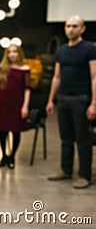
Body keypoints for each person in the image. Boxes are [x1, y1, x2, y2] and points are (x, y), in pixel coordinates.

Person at [46, 15, 96, 189]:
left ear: (82, 29)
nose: (70, 29)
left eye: (74, 26)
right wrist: (51, 100)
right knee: (66, 137)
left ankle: (84, 175)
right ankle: (65, 170)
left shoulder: (89, 49)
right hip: (63, 99)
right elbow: (57, 77)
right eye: (68, 26)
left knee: (83, 139)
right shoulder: (62, 50)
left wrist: (94, 103)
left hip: (81, 99)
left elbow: (94, 77)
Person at [0, 44, 31, 169]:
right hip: (3, 103)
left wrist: (25, 106)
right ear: (6, 54)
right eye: (9, 52)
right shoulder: (2, 68)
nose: (12, 54)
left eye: (15, 52)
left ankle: (12, 156)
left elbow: (27, 89)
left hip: (17, 104)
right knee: (2, 131)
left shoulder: (25, 68)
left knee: (16, 131)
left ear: (19, 53)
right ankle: (3, 156)